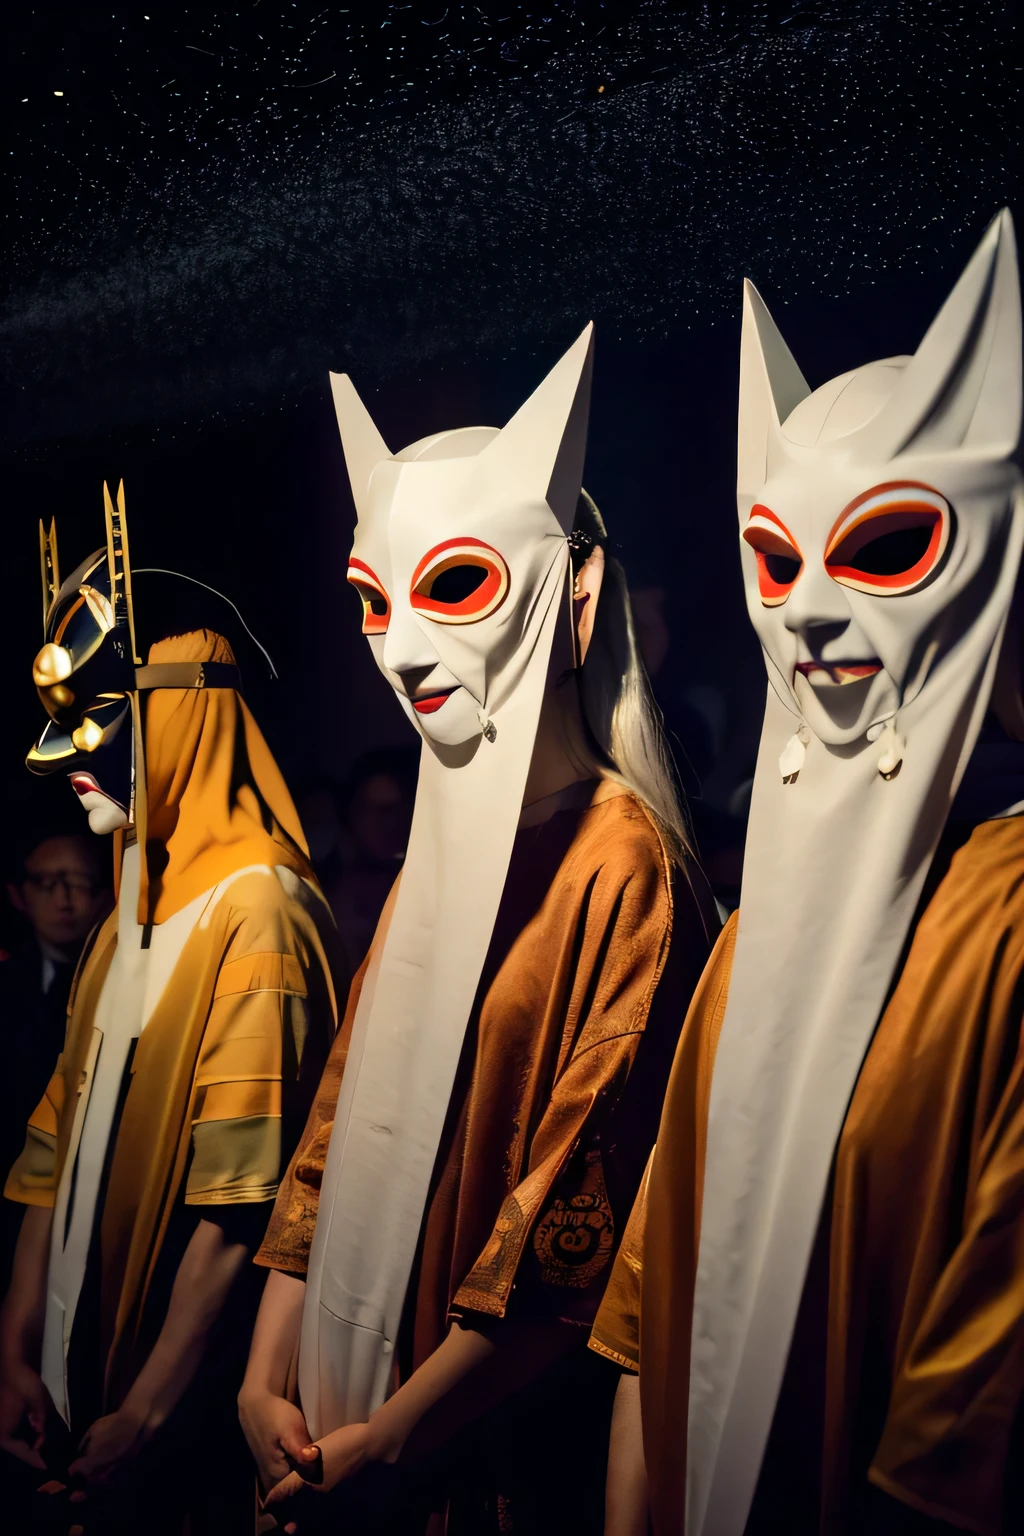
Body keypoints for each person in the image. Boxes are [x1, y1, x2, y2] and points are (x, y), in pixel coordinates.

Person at [237, 327, 718, 1533]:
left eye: (454, 586)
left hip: (471, 1456)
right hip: (335, 1419)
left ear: (578, 590)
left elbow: (575, 1218)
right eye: (372, 599)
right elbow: (334, 1132)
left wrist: (400, 1437)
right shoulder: (427, 873)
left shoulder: (622, 868)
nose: (401, 648)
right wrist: (259, 1383)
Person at [595, 210, 1024, 1535]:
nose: (808, 608)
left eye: (883, 549)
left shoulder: (1008, 919)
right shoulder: (752, 936)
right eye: (774, 560)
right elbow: (654, 1296)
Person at [0, 485, 339, 1534]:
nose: (66, 763)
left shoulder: (261, 914)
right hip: (71, 1393)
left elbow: (241, 1204)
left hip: (175, 1433)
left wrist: (147, 1413)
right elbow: (51, 1153)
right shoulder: (123, 914)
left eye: (99, 726)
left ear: (180, 716)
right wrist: (12, 1355)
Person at [0, 826, 111, 1286]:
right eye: (47, 883)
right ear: (19, 895)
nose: (64, 900)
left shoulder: (118, 985)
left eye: (79, 882)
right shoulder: (10, 983)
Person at [321, 749, 417, 975]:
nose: (385, 823)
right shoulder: (329, 888)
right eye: (372, 810)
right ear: (352, 813)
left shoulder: (421, 884)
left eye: (393, 810)